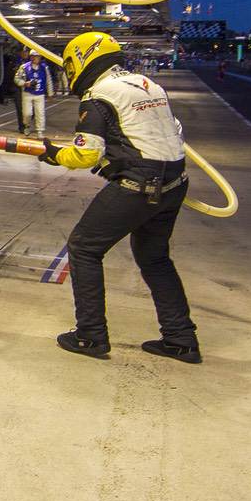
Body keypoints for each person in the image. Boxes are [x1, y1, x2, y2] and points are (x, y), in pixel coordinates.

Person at [38, 32, 200, 364]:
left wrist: (55, 155)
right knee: (155, 258)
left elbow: (86, 154)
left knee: (84, 248)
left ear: (82, 59)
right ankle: (181, 339)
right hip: (174, 182)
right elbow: (171, 131)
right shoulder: (148, 84)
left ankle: (90, 335)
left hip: (139, 185)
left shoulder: (99, 94)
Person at [18, 51, 51, 134]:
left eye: (38, 56)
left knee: (40, 113)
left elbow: (48, 80)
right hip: (27, 93)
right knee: (27, 113)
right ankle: (27, 125)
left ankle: (40, 130)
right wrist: (25, 83)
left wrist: (50, 93)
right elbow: (17, 78)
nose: (36, 58)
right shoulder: (24, 67)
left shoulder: (44, 68)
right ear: (31, 57)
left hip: (40, 93)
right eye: (34, 56)